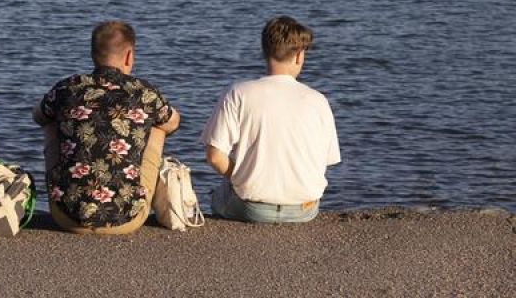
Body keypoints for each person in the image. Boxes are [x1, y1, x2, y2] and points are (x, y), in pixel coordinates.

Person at [34, 20, 180, 234]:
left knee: (50, 121)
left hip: (66, 218)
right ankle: (150, 202)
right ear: (129, 55)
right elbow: (173, 122)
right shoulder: (144, 92)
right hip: (127, 221)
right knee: (159, 126)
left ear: (93, 54)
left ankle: (67, 193)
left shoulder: (67, 87)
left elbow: (37, 116)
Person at [200, 15, 340, 224]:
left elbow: (215, 157)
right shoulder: (318, 101)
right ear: (299, 56)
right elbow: (325, 161)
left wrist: (241, 177)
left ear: (264, 52)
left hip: (252, 209)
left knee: (218, 194)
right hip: (305, 210)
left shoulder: (238, 93)